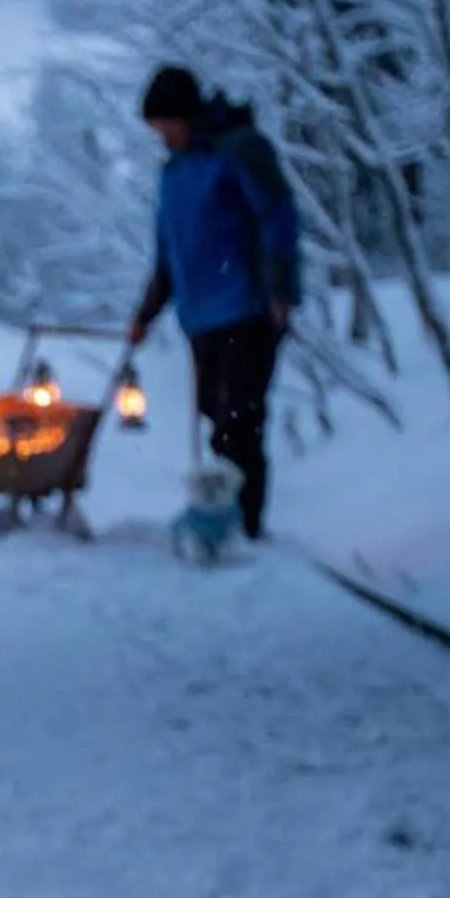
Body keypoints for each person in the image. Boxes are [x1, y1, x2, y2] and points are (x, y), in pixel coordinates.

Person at [125, 63, 300, 541]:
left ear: (187, 114)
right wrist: (145, 315)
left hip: (247, 307)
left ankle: (244, 527)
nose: (161, 133)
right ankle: (222, 518)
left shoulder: (238, 150)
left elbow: (276, 216)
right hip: (200, 316)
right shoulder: (175, 171)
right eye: (155, 126)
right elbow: (168, 253)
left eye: (166, 123)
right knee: (215, 419)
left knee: (237, 421)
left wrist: (281, 289)